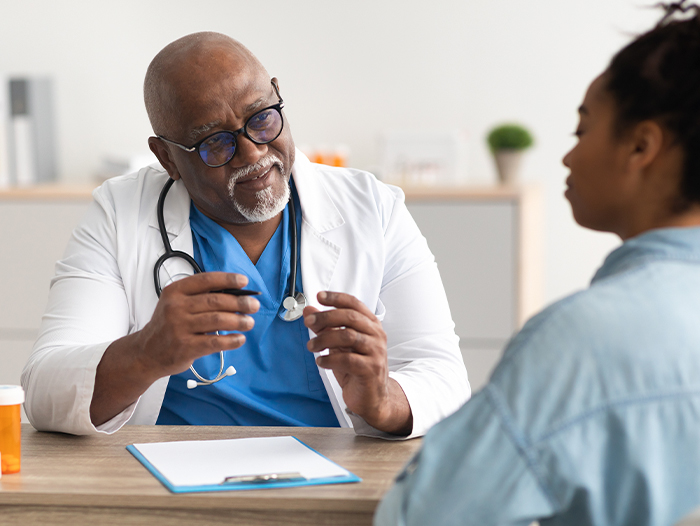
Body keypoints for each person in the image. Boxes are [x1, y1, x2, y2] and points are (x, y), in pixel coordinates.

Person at [20, 32, 469, 438]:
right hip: (171, 475)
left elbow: (446, 378)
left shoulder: (373, 208)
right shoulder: (121, 212)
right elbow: (43, 390)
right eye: (215, 142)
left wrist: (384, 399)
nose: (253, 152)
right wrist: (146, 353)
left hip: (332, 473)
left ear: (278, 96)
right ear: (168, 158)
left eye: (261, 118)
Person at [375, 2, 700, 524]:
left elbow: (422, 517)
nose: (569, 157)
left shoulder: (582, 342)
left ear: (641, 146)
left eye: (582, 131)